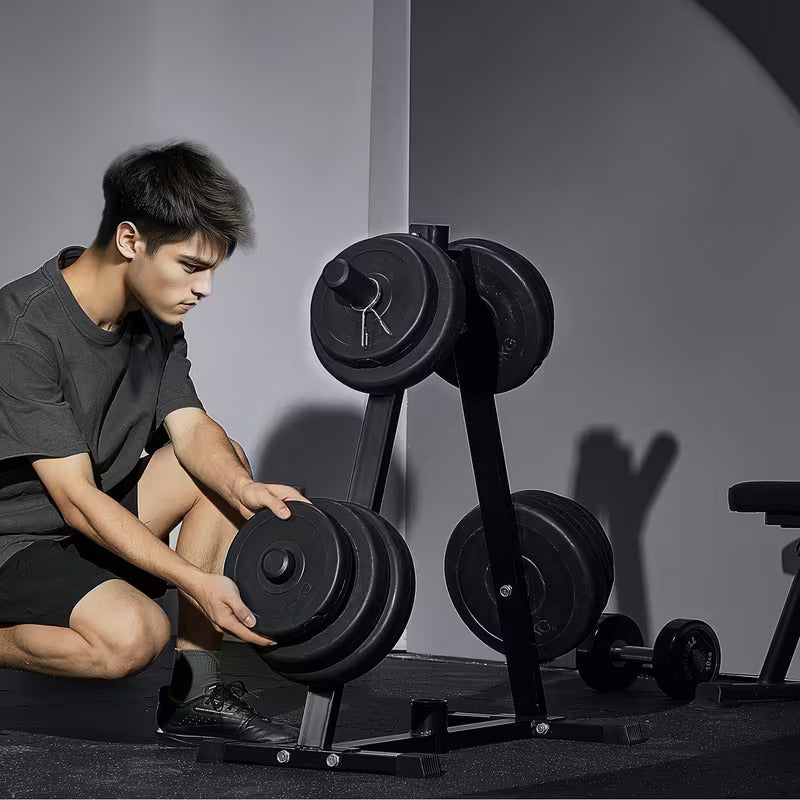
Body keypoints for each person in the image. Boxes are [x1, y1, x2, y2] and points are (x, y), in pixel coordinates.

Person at [0, 141, 308, 745]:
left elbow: (190, 428)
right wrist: (195, 582)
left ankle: (195, 691)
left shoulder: (156, 322)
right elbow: (76, 501)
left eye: (213, 270)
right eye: (192, 267)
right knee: (132, 639)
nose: (207, 289)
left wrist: (245, 490)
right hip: (14, 541)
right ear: (130, 241)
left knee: (223, 470)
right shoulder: (22, 331)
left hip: (92, 517)